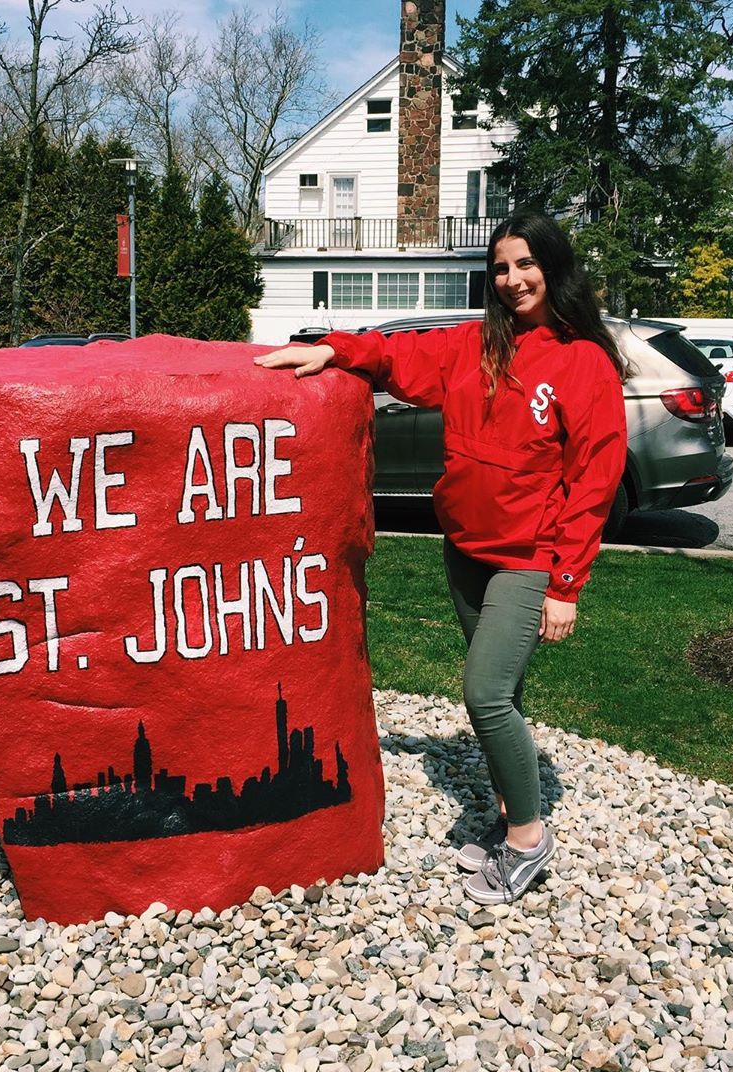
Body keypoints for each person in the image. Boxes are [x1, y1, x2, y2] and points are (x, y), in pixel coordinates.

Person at [254, 209, 627, 904]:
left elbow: (595, 478)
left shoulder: (584, 362)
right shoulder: (474, 346)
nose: (513, 279)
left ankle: (527, 840)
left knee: (484, 694)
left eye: (526, 264)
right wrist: (332, 350)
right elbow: (400, 357)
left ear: (554, 267)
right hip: (465, 552)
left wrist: (566, 583)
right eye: (501, 268)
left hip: (528, 559)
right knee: (505, 695)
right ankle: (508, 811)